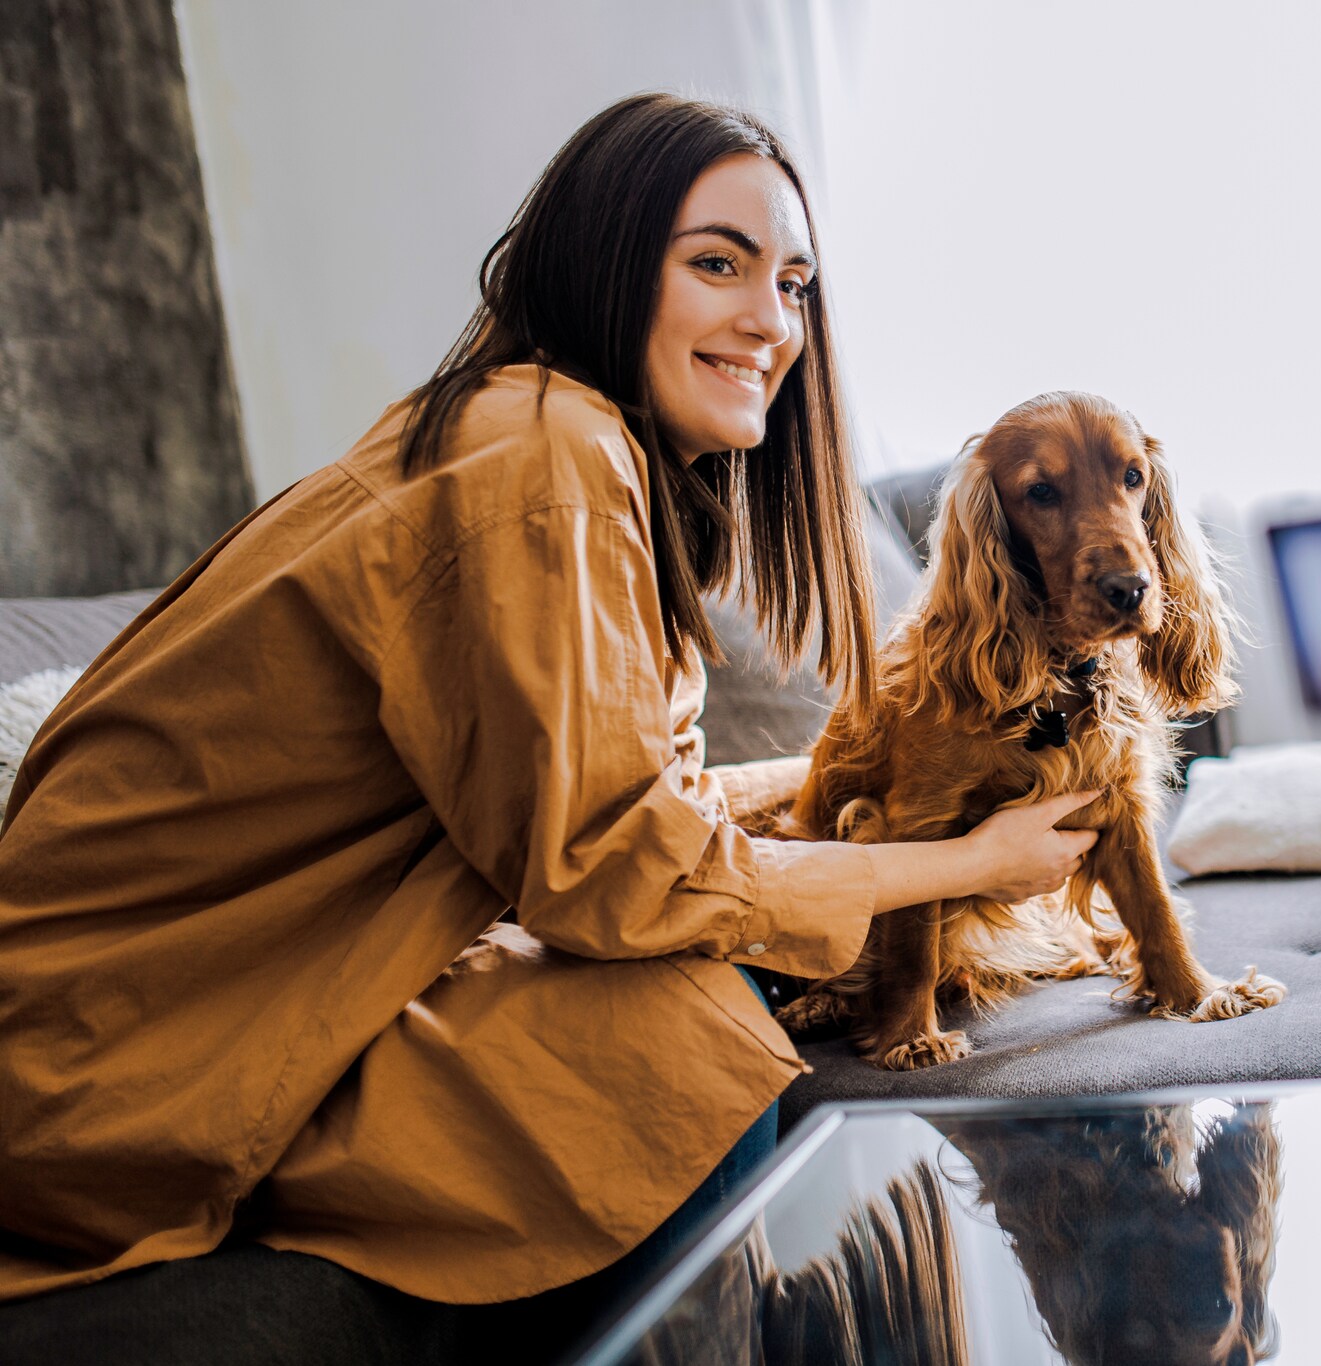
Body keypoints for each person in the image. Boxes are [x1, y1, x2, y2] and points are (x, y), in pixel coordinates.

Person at [0, 94, 1097, 1350]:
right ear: (606, 261)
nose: (771, 321)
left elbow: (632, 811)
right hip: (122, 1053)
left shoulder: (541, 435)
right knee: (671, 1052)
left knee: (694, 1006)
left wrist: (885, 779)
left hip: (189, 1006)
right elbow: (618, 870)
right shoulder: (545, 454)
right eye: (718, 264)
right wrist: (966, 861)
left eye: (793, 284)